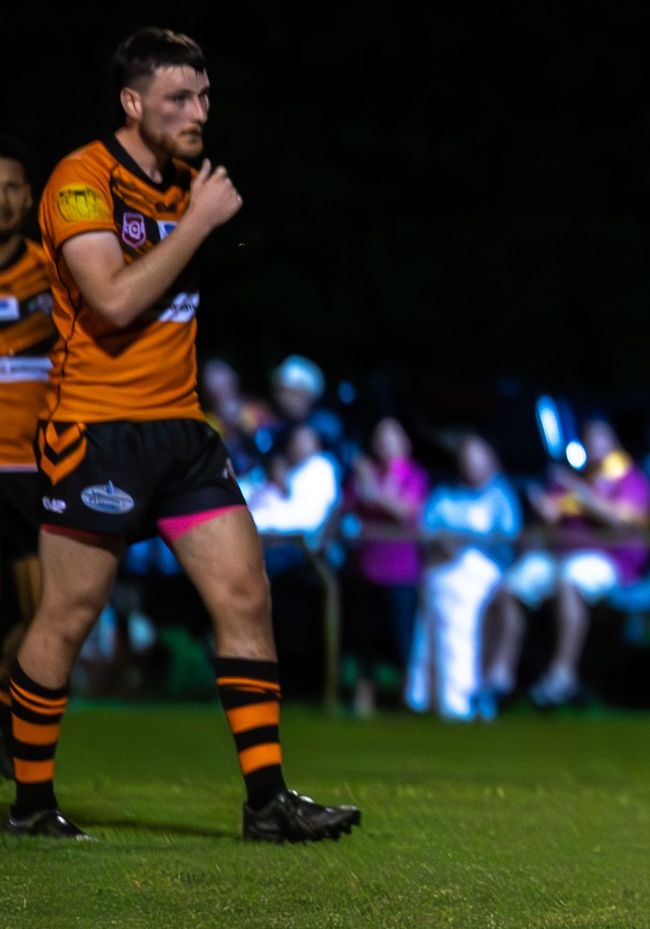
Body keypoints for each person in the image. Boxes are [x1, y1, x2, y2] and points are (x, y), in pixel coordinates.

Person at [7, 28, 358, 840]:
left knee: (244, 595)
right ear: (132, 104)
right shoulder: (81, 181)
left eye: (204, 97)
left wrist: (192, 213)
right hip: (96, 431)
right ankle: (29, 801)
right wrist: (197, 224)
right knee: (67, 614)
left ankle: (267, 801)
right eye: (178, 99)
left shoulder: (183, 182)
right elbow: (115, 303)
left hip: (181, 432)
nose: (199, 113)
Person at [502, 416, 650, 707]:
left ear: (613, 442)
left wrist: (582, 495)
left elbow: (620, 522)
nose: (593, 445)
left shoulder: (629, 478)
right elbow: (547, 513)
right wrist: (544, 509)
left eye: (600, 438)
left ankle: (563, 673)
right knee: (511, 585)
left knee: (570, 578)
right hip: (558, 555)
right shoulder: (578, 477)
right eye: (589, 438)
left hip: (611, 563)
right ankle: (500, 672)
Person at [0, 134, 55, 781]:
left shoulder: (52, 271)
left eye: (12, 187)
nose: (3, 200)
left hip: (28, 470)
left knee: (41, 612)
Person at [412, 434, 521, 721]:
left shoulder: (500, 496)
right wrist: (442, 545)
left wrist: (464, 545)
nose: (472, 465)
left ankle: (459, 698)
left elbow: (507, 542)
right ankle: (426, 695)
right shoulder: (444, 494)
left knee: (458, 622)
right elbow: (426, 533)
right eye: (467, 459)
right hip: (439, 571)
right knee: (432, 624)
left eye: (478, 458)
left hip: (480, 574)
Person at [343, 417, 428, 716]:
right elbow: (347, 506)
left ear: (404, 442)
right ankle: (364, 696)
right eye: (380, 437)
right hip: (366, 566)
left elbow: (404, 511)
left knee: (401, 635)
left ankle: (407, 697)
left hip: (401, 569)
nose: (385, 443)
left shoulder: (413, 475)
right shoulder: (366, 472)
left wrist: (373, 491)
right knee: (365, 637)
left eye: (392, 437)